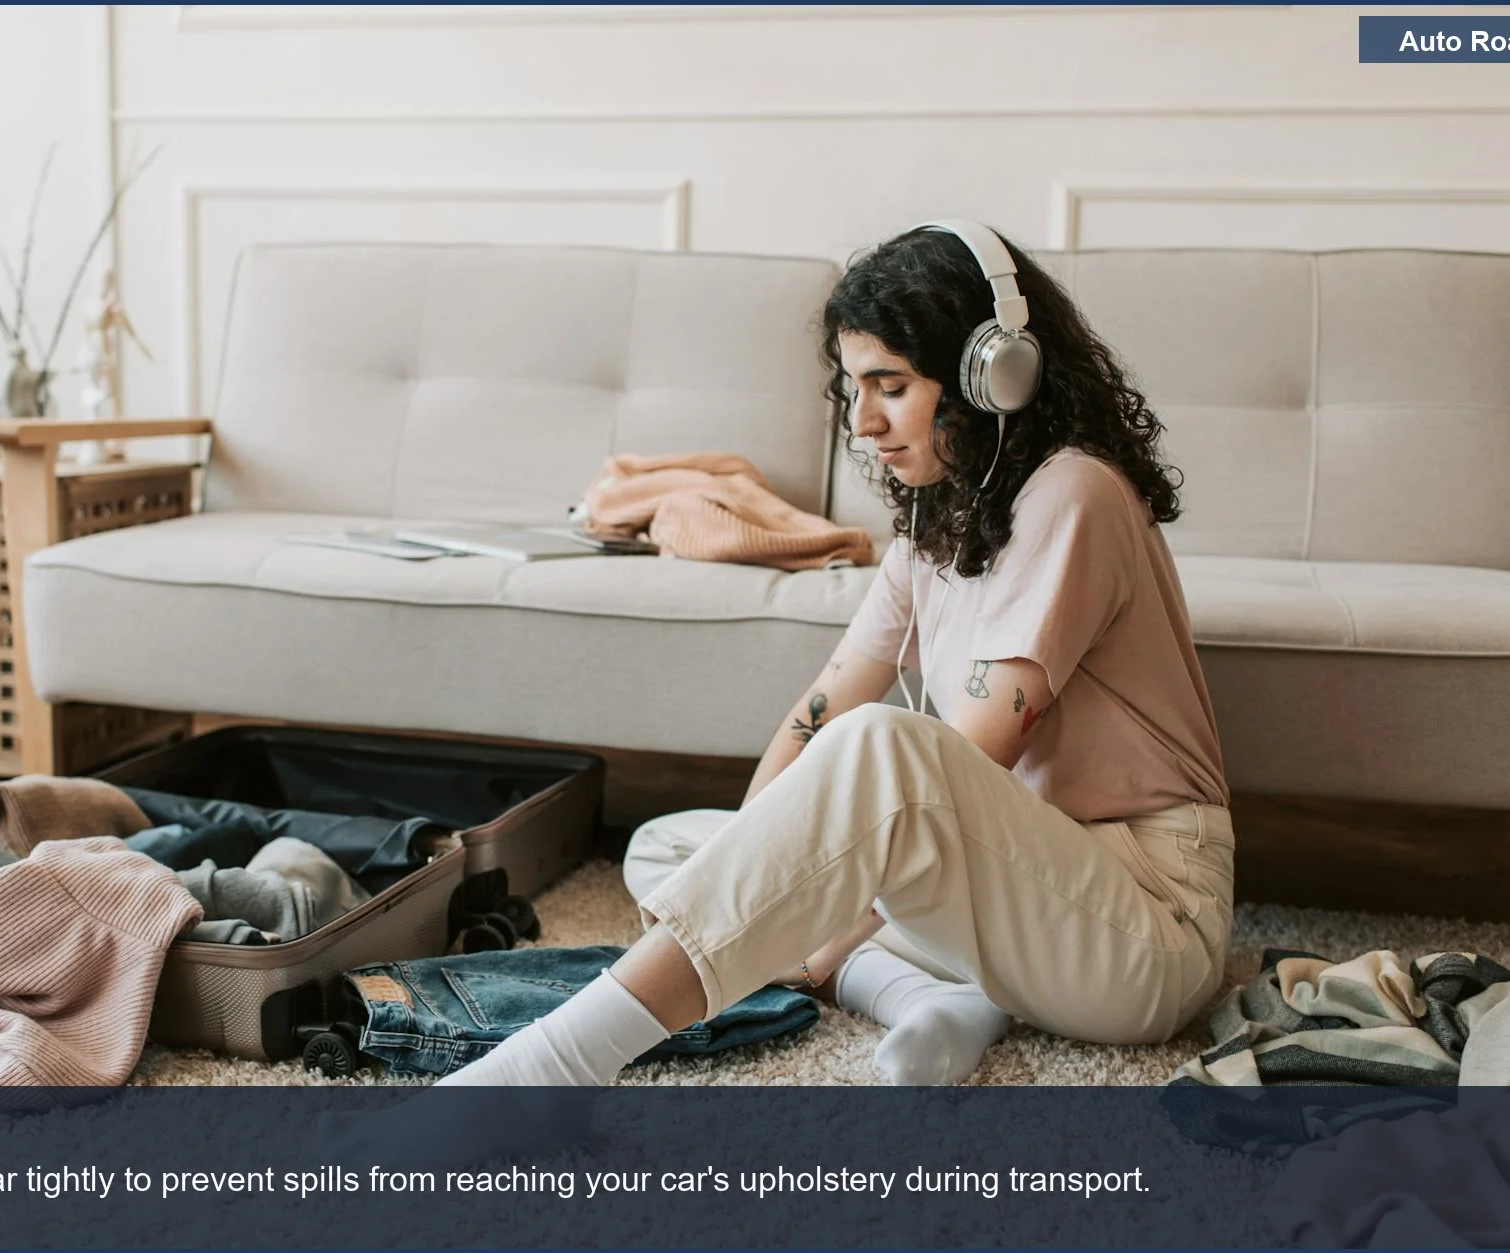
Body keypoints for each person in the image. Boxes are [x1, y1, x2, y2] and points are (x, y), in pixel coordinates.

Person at [436, 220, 1233, 1089]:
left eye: (890, 385)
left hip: (1145, 925)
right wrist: (759, 865)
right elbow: (820, 710)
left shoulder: (1073, 493)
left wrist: (789, 907)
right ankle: (937, 1001)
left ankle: (551, 1068)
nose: (865, 421)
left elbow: (959, 766)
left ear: (994, 375)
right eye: (856, 388)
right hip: (1021, 897)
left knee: (877, 759)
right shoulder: (938, 524)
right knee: (678, 848)